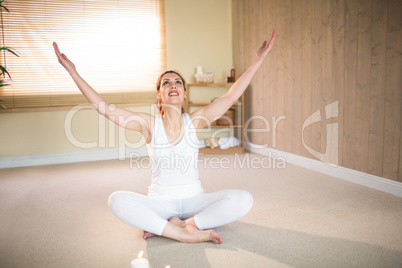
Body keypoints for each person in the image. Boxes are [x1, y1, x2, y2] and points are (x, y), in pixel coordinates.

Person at [53, 30, 276, 244]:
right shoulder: (148, 124)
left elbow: (232, 95)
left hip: (195, 200)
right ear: (159, 95)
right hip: (160, 203)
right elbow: (105, 109)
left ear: (184, 93)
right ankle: (183, 233)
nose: (173, 85)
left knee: (244, 199)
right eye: (166, 83)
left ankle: (181, 225)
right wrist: (73, 72)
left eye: (178, 82)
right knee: (116, 200)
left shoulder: (196, 121)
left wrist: (258, 60)